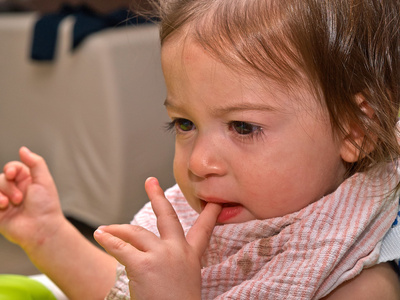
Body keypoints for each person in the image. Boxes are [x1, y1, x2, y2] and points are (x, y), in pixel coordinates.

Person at [0, 0, 400, 299]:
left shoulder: (359, 278)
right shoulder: (206, 218)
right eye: (185, 124)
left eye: (243, 127)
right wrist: (48, 235)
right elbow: (122, 293)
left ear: (353, 130)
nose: (198, 162)